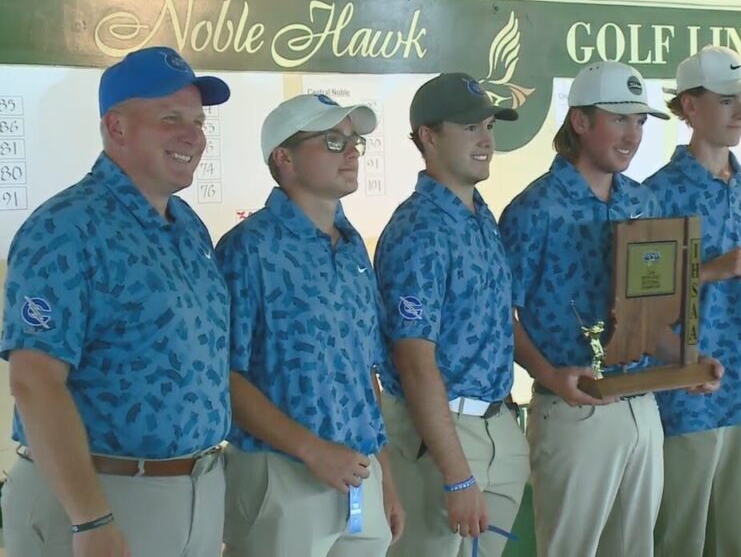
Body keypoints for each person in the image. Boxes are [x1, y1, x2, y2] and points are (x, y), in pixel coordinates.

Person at [0, 46, 231, 557]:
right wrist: (90, 520)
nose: (193, 134)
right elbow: (34, 381)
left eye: (197, 119)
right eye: (170, 118)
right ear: (117, 127)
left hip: (194, 492)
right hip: (102, 501)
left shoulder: (189, 226)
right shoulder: (65, 228)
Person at [499, 60, 719, 557]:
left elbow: (651, 316)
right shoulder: (533, 209)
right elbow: (501, 318)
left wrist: (689, 362)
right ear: (580, 122)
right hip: (575, 410)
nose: (633, 134)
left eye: (640, 121)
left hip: (644, 403)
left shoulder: (643, 202)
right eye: (620, 119)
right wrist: (552, 376)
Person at [216, 93, 404, 556]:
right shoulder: (248, 248)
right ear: (285, 158)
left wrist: (387, 477)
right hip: (279, 475)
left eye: (354, 141)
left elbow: (365, 374)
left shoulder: (355, 247)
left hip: (360, 476)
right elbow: (225, 376)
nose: (353, 151)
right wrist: (311, 450)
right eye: (333, 141)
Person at [373, 73, 529, 557]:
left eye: (488, 126)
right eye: (469, 128)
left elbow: (500, 324)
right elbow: (414, 360)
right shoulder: (417, 229)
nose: (486, 140)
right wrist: (457, 474)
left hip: (499, 421)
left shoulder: (481, 216)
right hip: (440, 437)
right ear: (428, 136)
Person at [643, 45, 741, 557]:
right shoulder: (656, 193)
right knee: (682, 536)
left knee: (738, 535)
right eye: (727, 100)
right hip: (688, 386)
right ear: (690, 108)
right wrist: (710, 269)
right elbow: (641, 293)